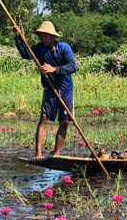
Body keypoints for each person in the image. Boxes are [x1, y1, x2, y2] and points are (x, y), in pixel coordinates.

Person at [13, 21, 78, 159]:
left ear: (52, 36)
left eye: (45, 36)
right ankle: (38, 153)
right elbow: (26, 54)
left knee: (64, 121)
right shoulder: (39, 49)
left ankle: (56, 153)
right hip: (49, 88)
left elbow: (73, 66)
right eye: (41, 36)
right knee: (44, 119)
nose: (43, 39)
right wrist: (18, 38)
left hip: (65, 89)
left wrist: (55, 69)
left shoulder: (64, 48)